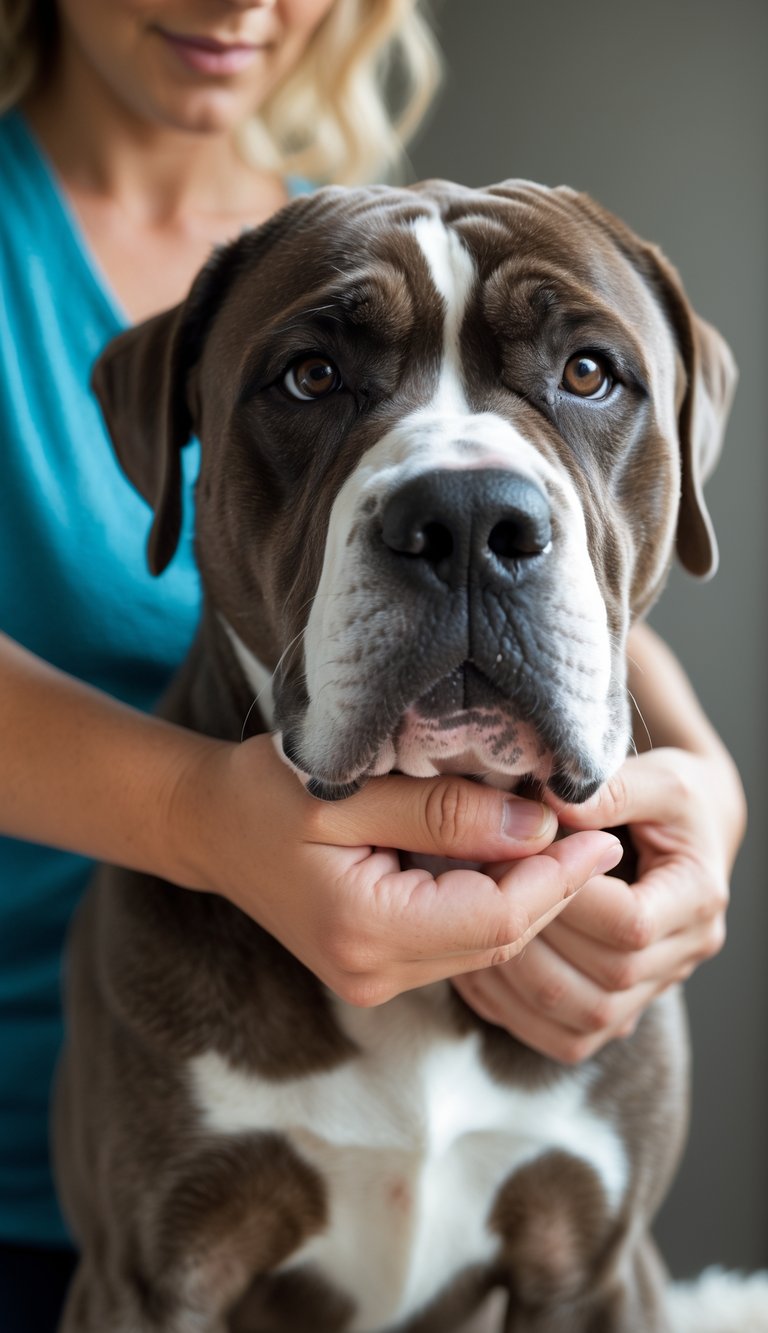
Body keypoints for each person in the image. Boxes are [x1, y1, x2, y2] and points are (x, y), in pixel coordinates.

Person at [0, 2, 746, 1329]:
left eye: (584, 368)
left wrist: (707, 788)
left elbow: (558, 549)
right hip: (71, 1114)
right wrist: (199, 821)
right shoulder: (270, 293)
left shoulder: (323, 244)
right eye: (309, 381)